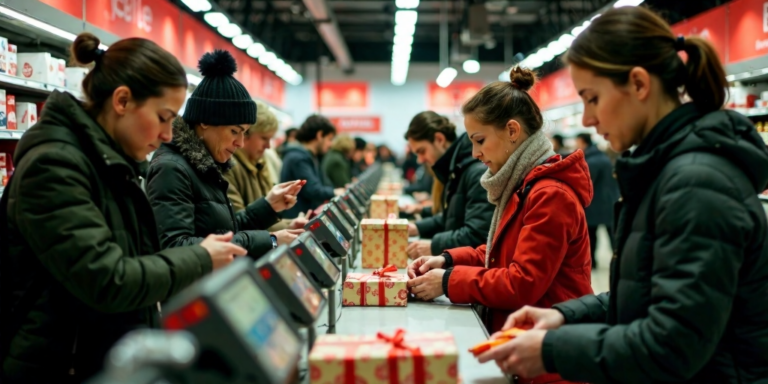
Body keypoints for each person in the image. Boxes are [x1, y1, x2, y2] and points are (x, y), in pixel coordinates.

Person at [477, 6, 768, 383]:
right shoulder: (664, 171)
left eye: (592, 98)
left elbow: (673, 344)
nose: (586, 119)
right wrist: (566, 316)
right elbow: (649, 295)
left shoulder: (697, 183)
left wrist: (553, 351)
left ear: (639, 84)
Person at [0, 33, 247, 383]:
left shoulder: (113, 165)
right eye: (163, 117)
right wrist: (201, 257)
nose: (167, 135)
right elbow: (108, 280)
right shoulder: (54, 167)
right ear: (122, 100)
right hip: (56, 368)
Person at [406, 68, 594, 377]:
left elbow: (522, 283)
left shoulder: (549, 195)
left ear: (512, 131)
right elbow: (497, 253)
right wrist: (446, 259)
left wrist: (447, 281)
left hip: (547, 359)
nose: (476, 153)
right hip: (524, 343)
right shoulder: (521, 185)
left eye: (479, 140)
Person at [147, 50, 304, 259]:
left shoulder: (206, 167)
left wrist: (267, 207)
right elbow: (177, 246)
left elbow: (224, 231)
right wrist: (271, 240)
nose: (240, 142)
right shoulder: (172, 169)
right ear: (205, 122)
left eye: (245, 133)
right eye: (234, 131)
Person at [402, 111, 494, 258]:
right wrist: (416, 228)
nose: (419, 160)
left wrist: (434, 246)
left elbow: (477, 235)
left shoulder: (475, 172)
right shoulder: (456, 169)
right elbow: (451, 218)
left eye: (422, 151)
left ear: (439, 139)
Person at [225, 100, 308, 231]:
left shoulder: (259, 163)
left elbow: (263, 219)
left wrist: (289, 225)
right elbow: (239, 225)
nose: (268, 146)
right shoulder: (227, 167)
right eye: (264, 138)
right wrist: (275, 239)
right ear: (245, 133)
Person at [280, 115, 344, 218]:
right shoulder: (298, 158)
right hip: (296, 220)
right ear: (319, 135)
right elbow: (312, 190)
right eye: (329, 139)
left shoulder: (309, 156)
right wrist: (335, 191)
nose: (330, 144)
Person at [575, 133, 619, 268]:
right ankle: (618, 261)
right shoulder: (603, 157)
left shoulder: (591, 161)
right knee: (612, 235)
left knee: (592, 236)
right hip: (609, 201)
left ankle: (592, 263)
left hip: (595, 203)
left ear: (583, 142)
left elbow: (585, 183)